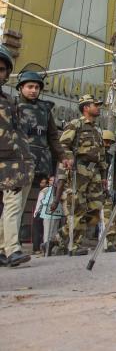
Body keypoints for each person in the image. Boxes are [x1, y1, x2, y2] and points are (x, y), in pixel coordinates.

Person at [52, 95, 106, 256]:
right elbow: (63, 145)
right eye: (95, 105)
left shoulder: (97, 130)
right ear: (85, 107)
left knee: (96, 210)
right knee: (78, 208)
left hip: (94, 172)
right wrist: (69, 161)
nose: (98, 107)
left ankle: (59, 237)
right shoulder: (76, 124)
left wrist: (103, 175)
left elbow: (101, 155)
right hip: (79, 170)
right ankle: (74, 245)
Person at [0, 45, 36, 268]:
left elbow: (17, 133)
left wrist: (27, 159)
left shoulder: (9, 101)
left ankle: (11, 249)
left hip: (13, 162)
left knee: (13, 204)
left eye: (2, 69)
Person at [31, 177, 49, 254]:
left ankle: (36, 249)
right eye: (41, 182)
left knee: (37, 231)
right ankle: (39, 248)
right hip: (44, 213)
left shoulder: (43, 191)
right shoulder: (50, 190)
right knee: (41, 231)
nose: (41, 184)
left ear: (47, 184)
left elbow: (40, 203)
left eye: (43, 183)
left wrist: (35, 213)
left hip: (39, 212)